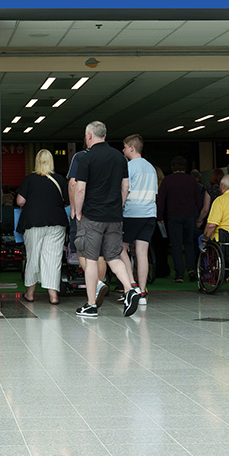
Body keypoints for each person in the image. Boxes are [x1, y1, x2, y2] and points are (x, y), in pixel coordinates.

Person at [71, 121, 141, 318]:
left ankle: (91, 305)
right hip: (114, 216)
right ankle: (130, 289)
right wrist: (119, 206)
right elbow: (125, 186)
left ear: (90, 136)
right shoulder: (120, 158)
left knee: (91, 260)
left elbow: (80, 188)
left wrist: (77, 211)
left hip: (93, 216)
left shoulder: (87, 157)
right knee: (113, 256)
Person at [16, 149, 69, 305]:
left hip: (33, 222)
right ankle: (53, 296)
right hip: (56, 222)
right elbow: (66, 201)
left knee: (33, 256)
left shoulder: (30, 179)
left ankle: (30, 294)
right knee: (53, 258)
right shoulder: (60, 179)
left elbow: (20, 201)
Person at [156, 156, 207, 284]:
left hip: (173, 216)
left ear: (172, 167)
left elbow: (161, 201)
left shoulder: (167, 181)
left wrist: (160, 217)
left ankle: (179, 274)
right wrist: (200, 218)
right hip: (189, 216)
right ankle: (191, 268)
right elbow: (199, 201)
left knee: (176, 245)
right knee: (189, 242)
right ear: (185, 167)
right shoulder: (192, 181)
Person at [67, 144, 106, 306]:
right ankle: (99, 287)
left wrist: (74, 208)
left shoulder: (80, 157)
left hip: (85, 211)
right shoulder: (113, 157)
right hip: (106, 212)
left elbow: (74, 184)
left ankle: (96, 285)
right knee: (101, 252)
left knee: (81, 248)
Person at [121, 134, 157, 304]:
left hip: (132, 213)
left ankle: (131, 283)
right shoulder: (151, 167)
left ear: (132, 148)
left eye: (125, 147)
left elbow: (125, 187)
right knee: (142, 253)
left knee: (119, 248)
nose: (123, 150)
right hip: (149, 213)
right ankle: (142, 293)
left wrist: (121, 205)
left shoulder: (129, 166)